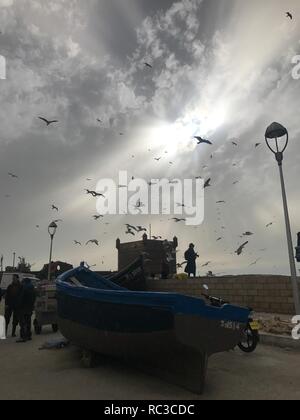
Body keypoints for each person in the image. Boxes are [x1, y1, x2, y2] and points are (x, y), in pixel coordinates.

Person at [17, 278, 36, 343]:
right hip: (29, 308)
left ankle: (23, 337)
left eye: (23, 282)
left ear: (25, 282)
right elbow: (34, 298)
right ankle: (28, 336)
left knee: (22, 323)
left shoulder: (24, 288)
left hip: (23, 308)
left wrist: (18, 305)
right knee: (28, 322)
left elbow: (21, 299)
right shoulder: (33, 288)